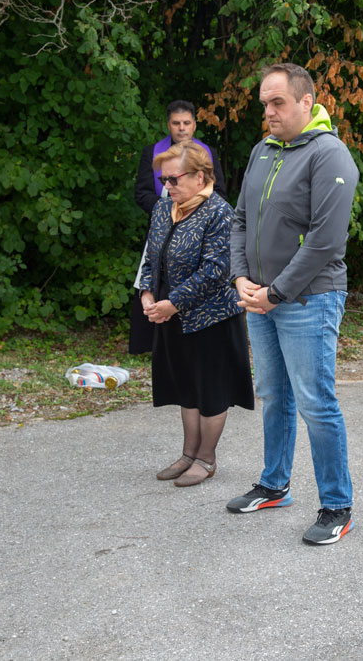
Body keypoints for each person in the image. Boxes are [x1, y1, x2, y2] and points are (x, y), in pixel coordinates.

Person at [226, 63, 360, 546]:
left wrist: (275, 292)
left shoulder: (330, 154)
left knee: (315, 402)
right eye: (265, 103)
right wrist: (241, 278)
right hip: (260, 297)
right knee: (273, 394)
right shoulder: (263, 150)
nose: (269, 111)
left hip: (308, 299)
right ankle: (274, 484)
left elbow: (325, 241)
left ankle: (337, 506)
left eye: (277, 102)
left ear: (307, 102)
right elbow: (240, 219)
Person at [139, 141, 254, 487]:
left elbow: (215, 270)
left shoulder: (219, 212)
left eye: (173, 179)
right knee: (185, 387)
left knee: (211, 391)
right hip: (171, 315)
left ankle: (206, 458)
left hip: (211, 319)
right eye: (163, 180)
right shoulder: (164, 208)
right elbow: (152, 256)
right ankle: (188, 454)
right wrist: (147, 293)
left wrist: (172, 303)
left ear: (200, 176)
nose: (167, 186)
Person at [130, 101, 228, 355]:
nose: (182, 128)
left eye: (186, 123)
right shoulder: (154, 154)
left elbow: (213, 271)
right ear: (168, 125)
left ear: (194, 125)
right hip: (164, 227)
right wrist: (166, 209)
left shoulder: (217, 208)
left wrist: (189, 209)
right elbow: (142, 192)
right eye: (176, 123)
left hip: (205, 318)